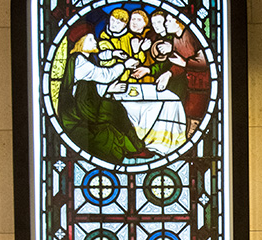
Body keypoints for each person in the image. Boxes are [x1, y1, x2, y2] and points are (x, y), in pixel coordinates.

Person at [56, 33, 146, 163]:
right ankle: (133, 147)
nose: (95, 41)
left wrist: (114, 54)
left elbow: (90, 85)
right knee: (114, 111)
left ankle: (134, 147)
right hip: (78, 109)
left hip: (88, 103)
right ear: (80, 43)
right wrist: (125, 65)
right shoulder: (79, 61)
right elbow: (104, 75)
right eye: (90, 39)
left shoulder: (86, 58)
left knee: (117, 108)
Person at [166, 13, 211, 135]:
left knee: (195, 121)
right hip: (190, 86)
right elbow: (180, 64)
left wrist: (184, 63)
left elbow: (204, 61)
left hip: (202, 85)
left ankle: (194, 147)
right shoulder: (176, 38)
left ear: (179, 22)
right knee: (187, 118)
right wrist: (169, 74)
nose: (166, 23)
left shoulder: (192, 36)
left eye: (169, 21)